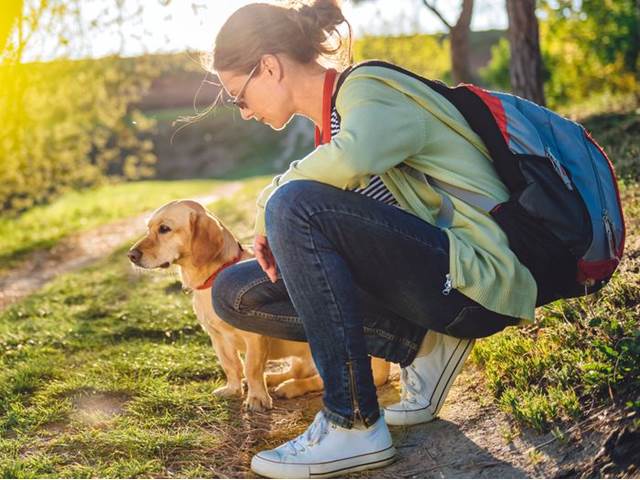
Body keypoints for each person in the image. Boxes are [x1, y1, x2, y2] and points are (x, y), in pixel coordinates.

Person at [209, 1, 536, 477]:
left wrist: (270, 205)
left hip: (480, 275)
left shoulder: (368, 89)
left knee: (293, 204)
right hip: (432, 280)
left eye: (238, 96)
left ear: (270, 67)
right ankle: (421, 345)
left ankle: (353, 422)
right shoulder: (334, 124)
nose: (242, 113)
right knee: (236, 291)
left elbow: (349, 160)